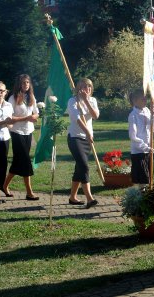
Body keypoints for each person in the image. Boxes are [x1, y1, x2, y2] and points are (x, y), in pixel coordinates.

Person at [3, 74, 40, 200]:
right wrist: (26, 118)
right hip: (16, 132)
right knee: (25, 161)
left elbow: (36, 113)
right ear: (19, 84)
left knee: (18, 161)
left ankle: (4, 185)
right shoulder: (12, 98)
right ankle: (29, 192)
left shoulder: (31, 97)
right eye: (24, 83)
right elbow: (9, 118)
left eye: (28, 83)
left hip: (28, 132)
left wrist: (34, 117)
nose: (26, 85)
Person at [67, 78, 99, 208]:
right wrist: (87, 132)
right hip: (75, 138)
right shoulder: (72, 101)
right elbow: (77, 119)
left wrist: (86, 100)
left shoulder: (92, 100)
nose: (87, 89)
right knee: (84, 166)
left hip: (87, 139)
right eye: (84, 87)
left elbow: (95, 115)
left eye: (89, 87)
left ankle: (72, 197)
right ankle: (89, 198)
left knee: (79, 168)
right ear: (78, 89)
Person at [127, 88, 154, 186]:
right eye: (142, 99)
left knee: (149, 177)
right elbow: (133, 136)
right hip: (139, 151)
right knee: (142, 179)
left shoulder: (147, 111)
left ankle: (148, 198)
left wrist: (153, 115)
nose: (145, 101)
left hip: (148, 150)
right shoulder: (133, 116)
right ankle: (140, 197)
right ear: (135, 101)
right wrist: (146, 147)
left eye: (145, 98)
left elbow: (153, 129)